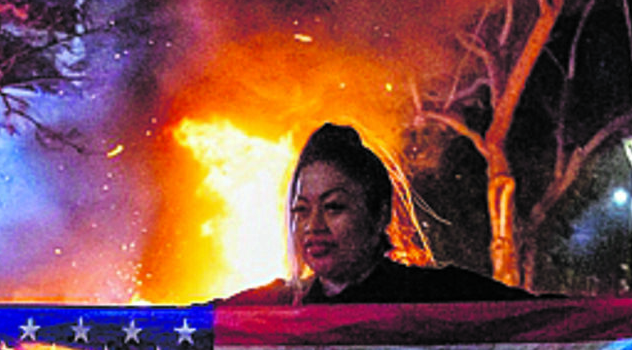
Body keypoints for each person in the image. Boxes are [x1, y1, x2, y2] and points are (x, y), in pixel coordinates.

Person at [225, 123, 533, 305]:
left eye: (334, 207)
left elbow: (552, 325)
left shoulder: (438, 298)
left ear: (379, 213)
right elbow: (186, 330)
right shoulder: (275, 309)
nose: (313, 226)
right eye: (301, 210)